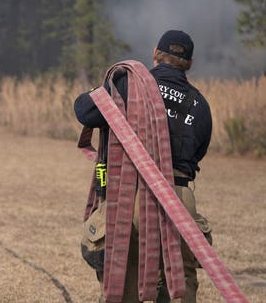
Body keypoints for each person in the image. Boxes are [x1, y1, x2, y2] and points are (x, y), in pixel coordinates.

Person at [74, 30, 212, 303]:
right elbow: (198, 153)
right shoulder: (200, 104)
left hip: (131, 192)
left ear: (154, 54)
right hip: (181, 197)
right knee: (180, 285)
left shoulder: (127, 84)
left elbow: (84, 111)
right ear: (190, 64)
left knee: (124, 276)